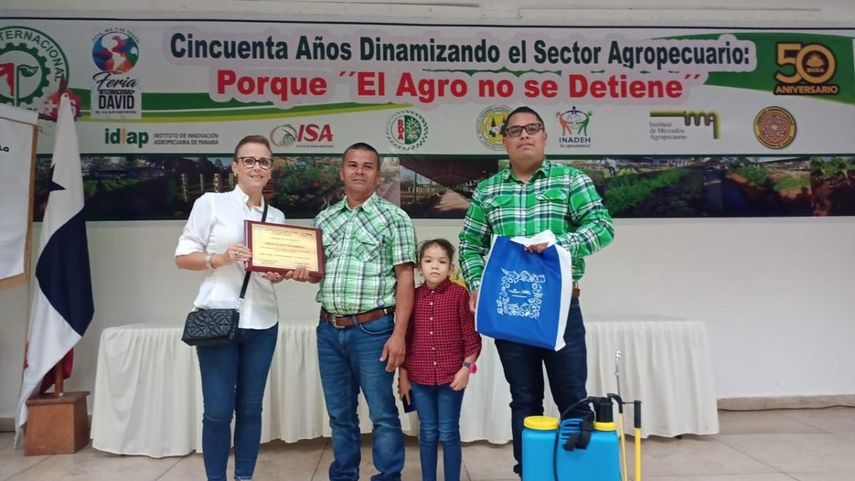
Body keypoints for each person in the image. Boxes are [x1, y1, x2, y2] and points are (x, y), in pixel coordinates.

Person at [458, 106, 615, 477]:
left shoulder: (571, 180)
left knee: (572, 395)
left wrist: (560, 244)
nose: (524, 135)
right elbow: (468, 244)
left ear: (545, 136)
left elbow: (603, 226)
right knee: (524, 398)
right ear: (505, 141)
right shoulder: (488, 190)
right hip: (511, 310)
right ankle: (531, 471)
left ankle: (578, 473)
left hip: (561, 309)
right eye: (515, 130)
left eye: (532, 128)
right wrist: (479, 286)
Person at [289, 142, 416, 481]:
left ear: (378, 175)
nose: (359, 171)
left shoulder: (395, 218)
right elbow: (317, 272)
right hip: (329, 330)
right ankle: (344, 475)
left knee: (382, 414)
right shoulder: (325, 218)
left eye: (367, 166)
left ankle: (388, 476)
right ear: (342, 172)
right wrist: (298, 271)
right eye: (353, 165)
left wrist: (399, 335)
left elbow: (406, 279)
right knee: (339, 415)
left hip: (373, 331)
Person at [175, 135, 286, 481]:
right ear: (235, 167)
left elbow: (275, 269)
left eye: (264, 161)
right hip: (217, 318)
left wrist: (280, 274)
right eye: (249, 160)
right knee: (218, 412)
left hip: (263, 321)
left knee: (251, 409)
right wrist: (218, 259)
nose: (257, 167)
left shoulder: (277, 216)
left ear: (270, 170)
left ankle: (244, 477)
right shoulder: (211, 203)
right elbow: (182, 257)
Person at [397, 239, 481, 481]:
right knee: (427, 432)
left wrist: (466, 369)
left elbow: (472, 338)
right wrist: (404, 377)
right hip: (419, 378)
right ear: (419, 267)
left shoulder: (460, 295)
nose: (435, 266)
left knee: (449, 431)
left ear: (450, 268)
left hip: (451, 378)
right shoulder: (412, 297)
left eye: (442, 262)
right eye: (428, 261)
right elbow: (405, 339)